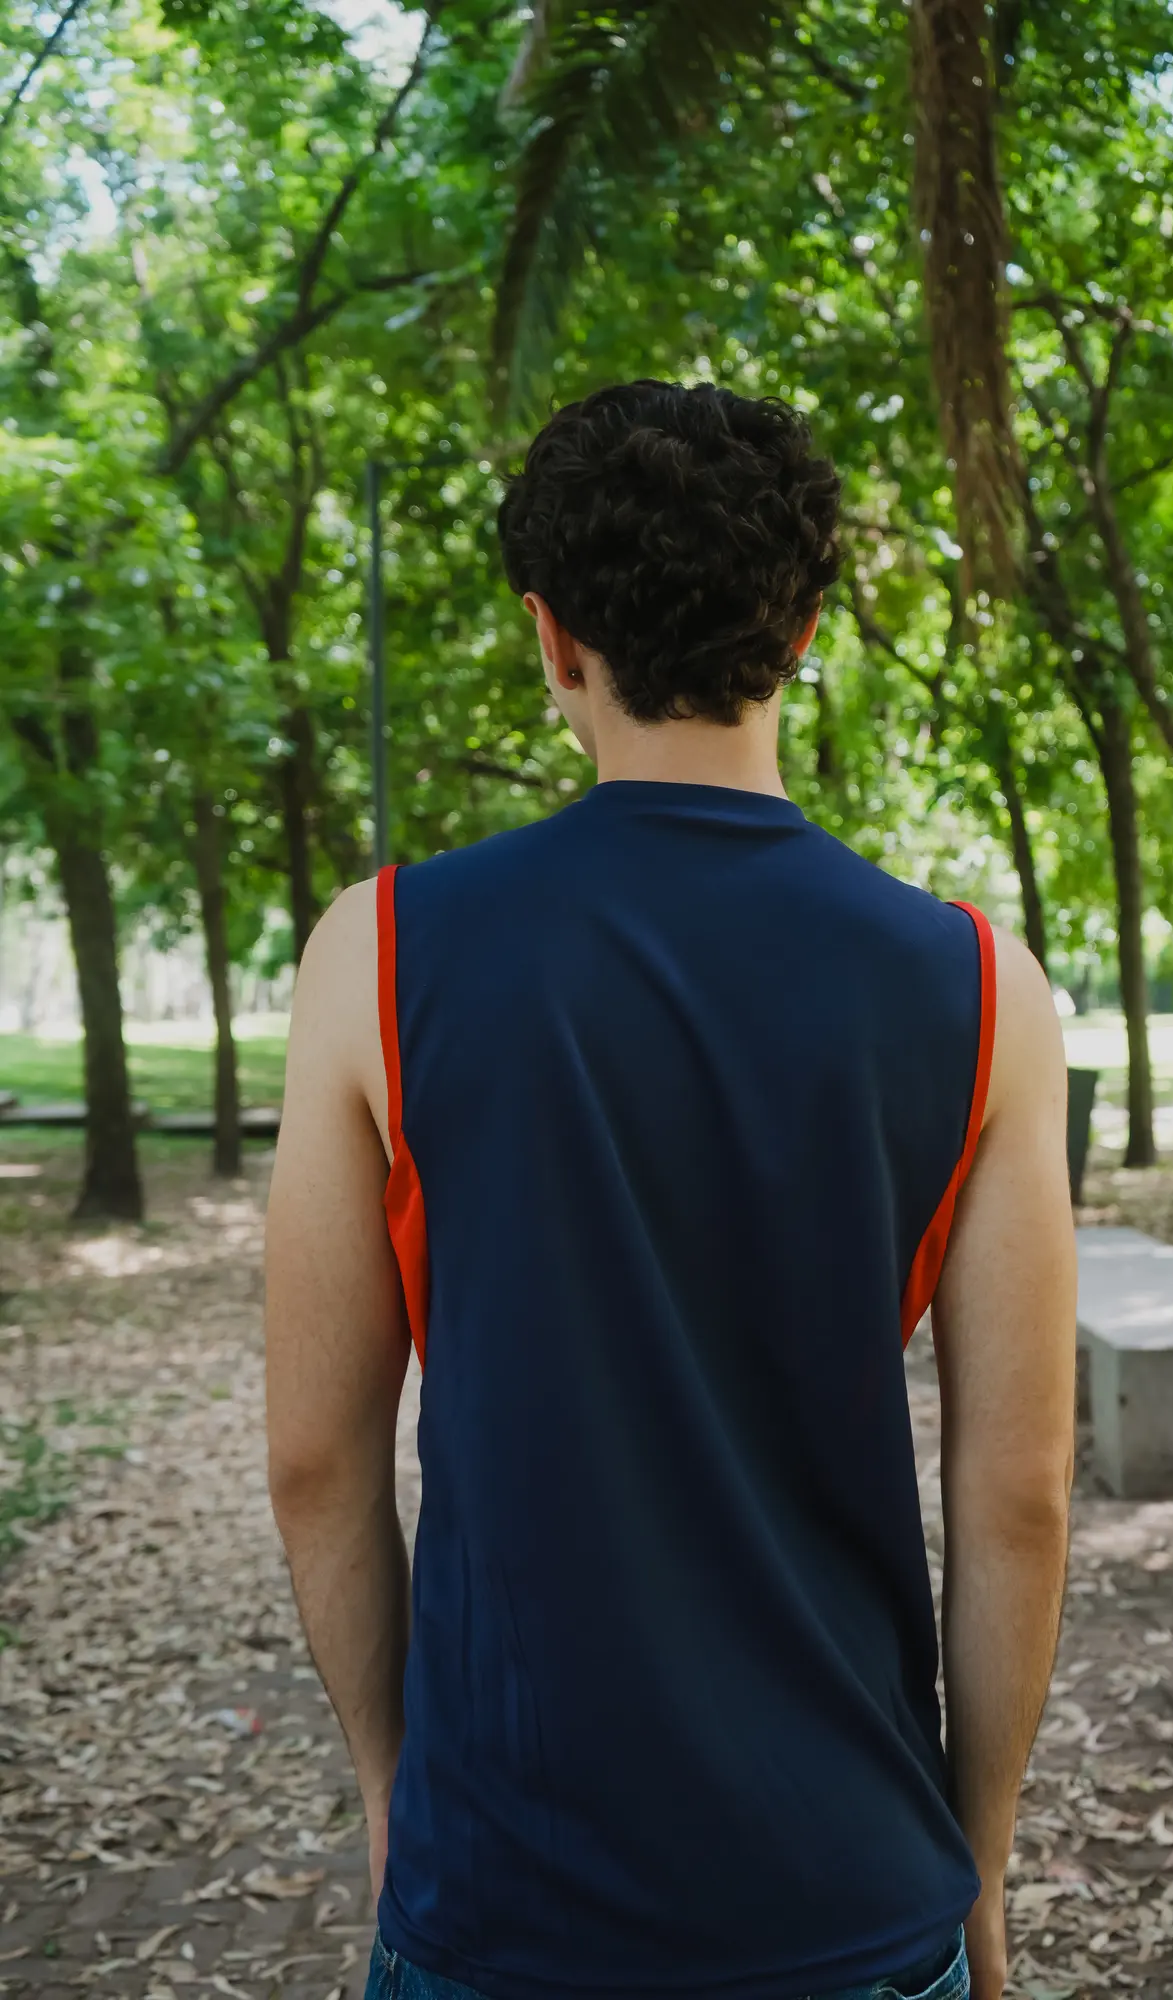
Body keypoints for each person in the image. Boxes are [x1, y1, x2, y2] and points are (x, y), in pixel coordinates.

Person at [265, 381, 1076, 2000]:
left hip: (507, 1893)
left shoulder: (381, 953)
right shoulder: (984, 990)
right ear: (805, 634)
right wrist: (975, 1871)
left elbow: (314, 1456)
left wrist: (391, 1790)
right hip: (849, 1891)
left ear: (552, 637)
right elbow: (1018, 1501)